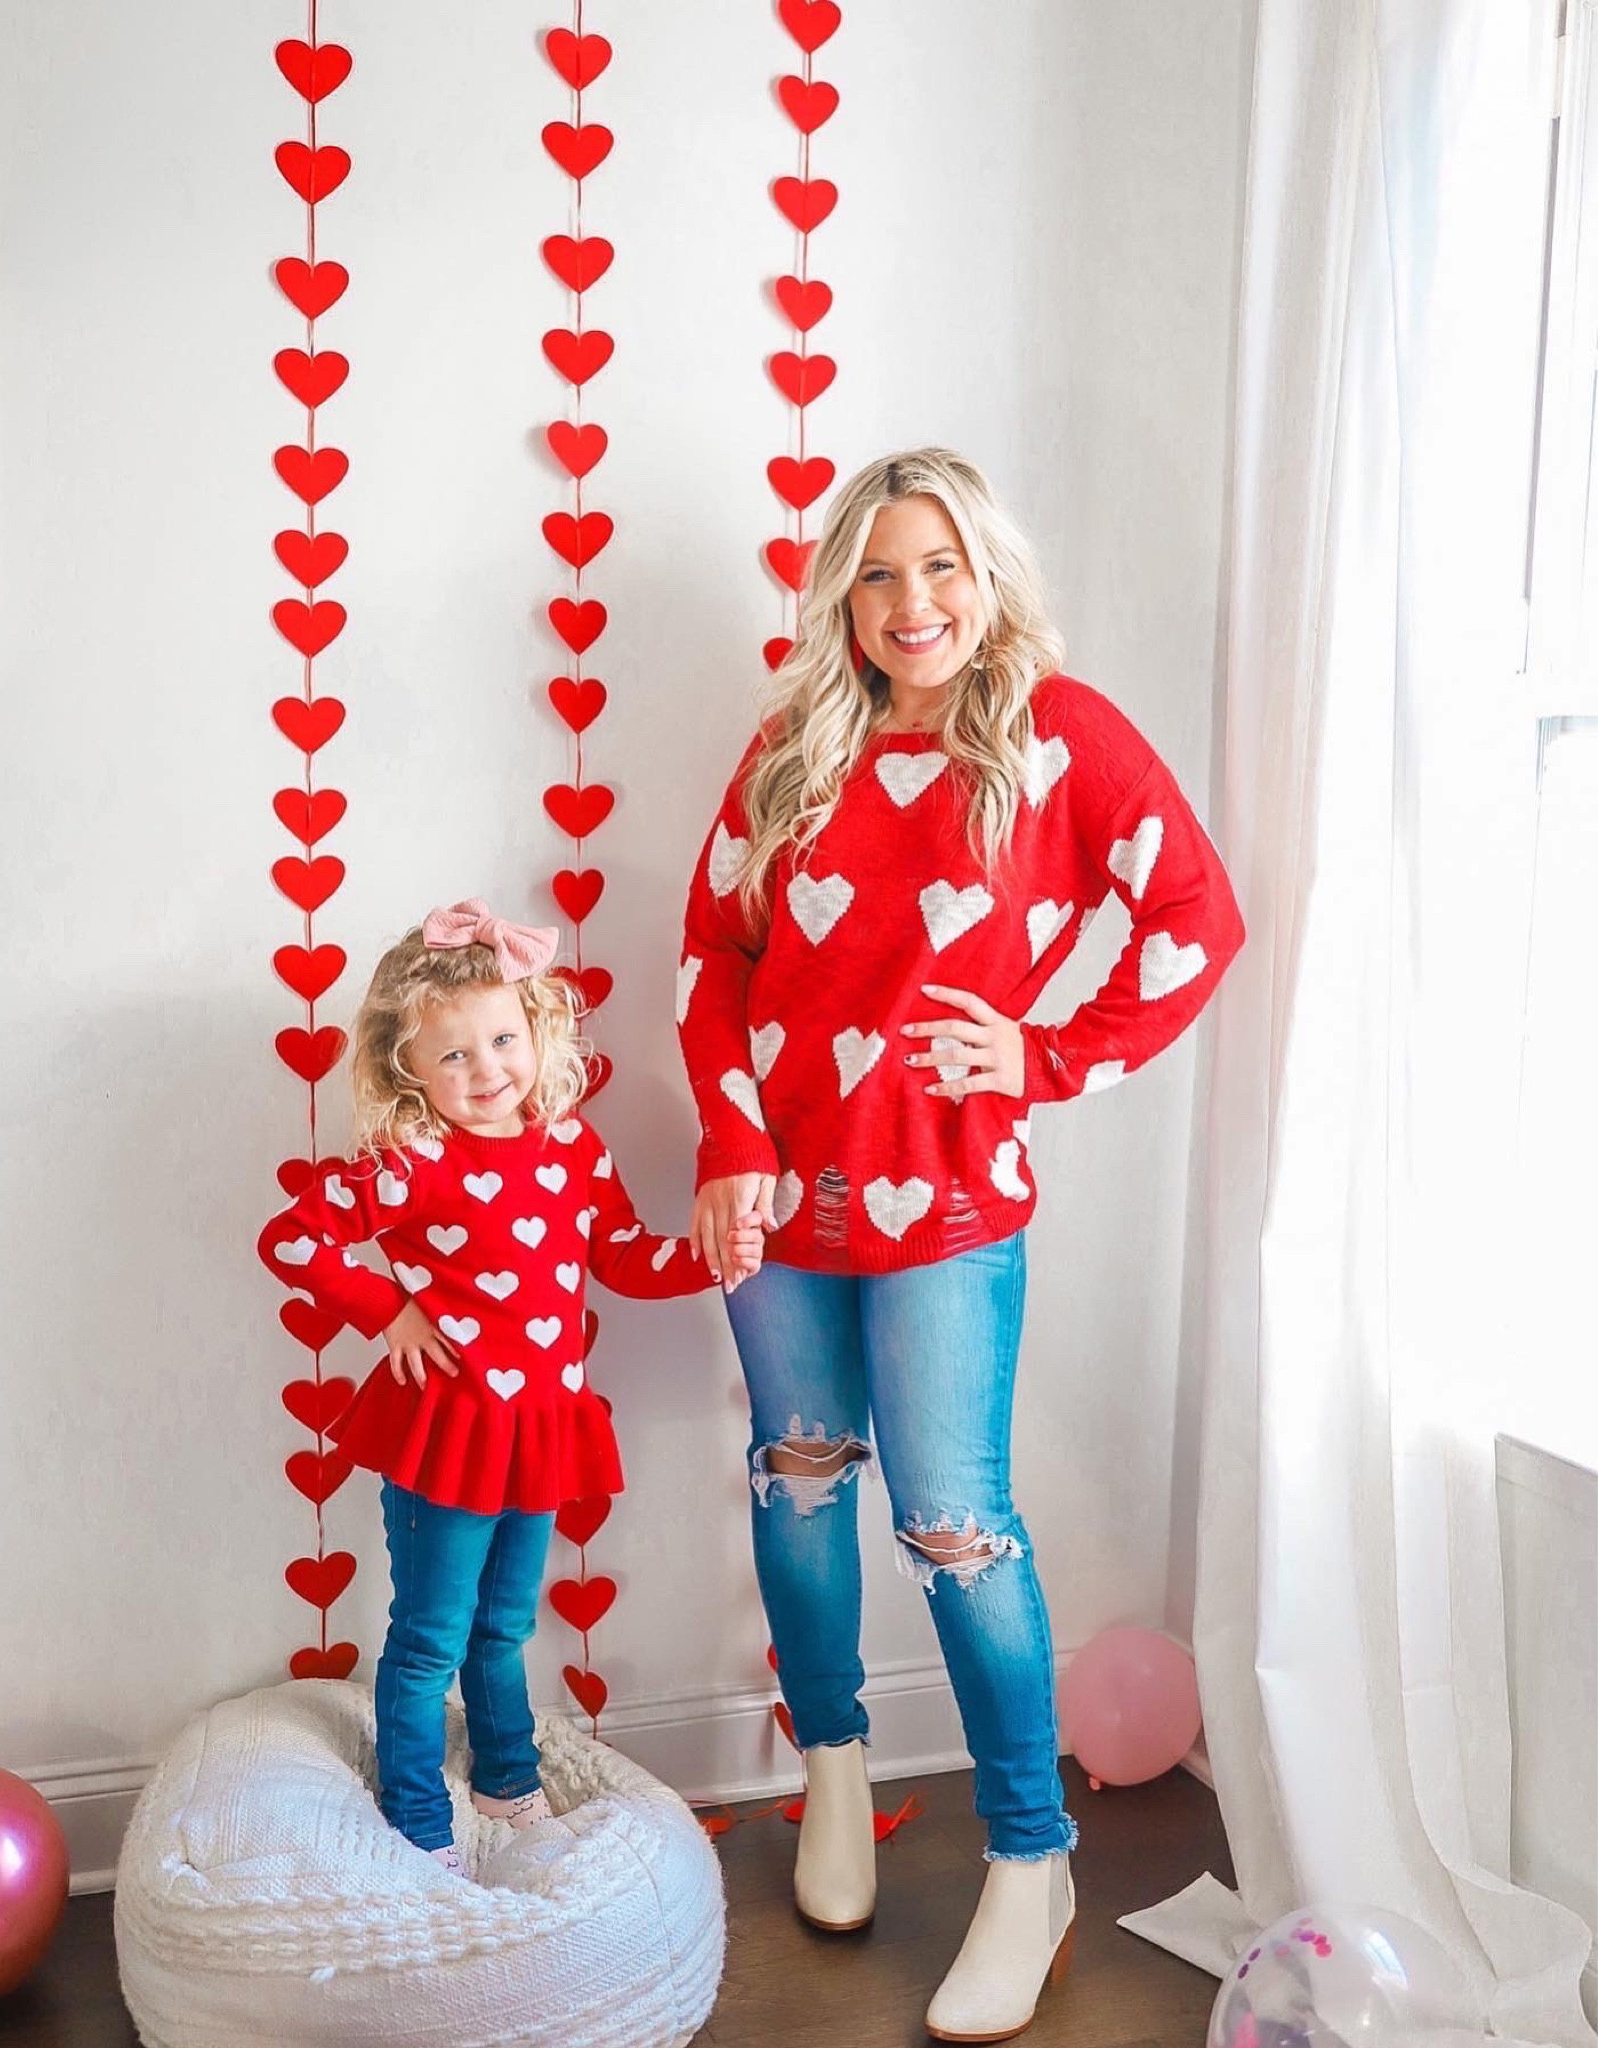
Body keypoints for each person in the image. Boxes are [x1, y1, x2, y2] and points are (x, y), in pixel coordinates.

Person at [677, 449, 1244, 2042]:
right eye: (876, 573)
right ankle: (838, 1775)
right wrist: (731, 1141)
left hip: (949, 1208)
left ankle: (1031, 1857)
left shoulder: (1061, 740)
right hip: (782, 1199)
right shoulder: (792, 748)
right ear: (840, 599)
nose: (910, 602)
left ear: (986, 575)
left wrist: (1050, 1055)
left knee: (954, 1530)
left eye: (938, 566)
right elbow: (711, 958)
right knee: (795, 1482)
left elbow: (1199, 919)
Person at [259, 900, 763, 1873]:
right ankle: (414, 1809)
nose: (486, 1069)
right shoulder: (411, 1162)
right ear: (406, 1066)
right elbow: (292, 1236)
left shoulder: (574, 1147)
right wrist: (388, 1310)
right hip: (444, 1430)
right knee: (429, 1636)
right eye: (452, 1055)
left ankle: (506, 1774)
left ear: (537, 1029)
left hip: (536, 1428)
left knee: (505, 1625)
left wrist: (711, 1258)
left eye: (502, 1039)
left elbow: (619, 1254)